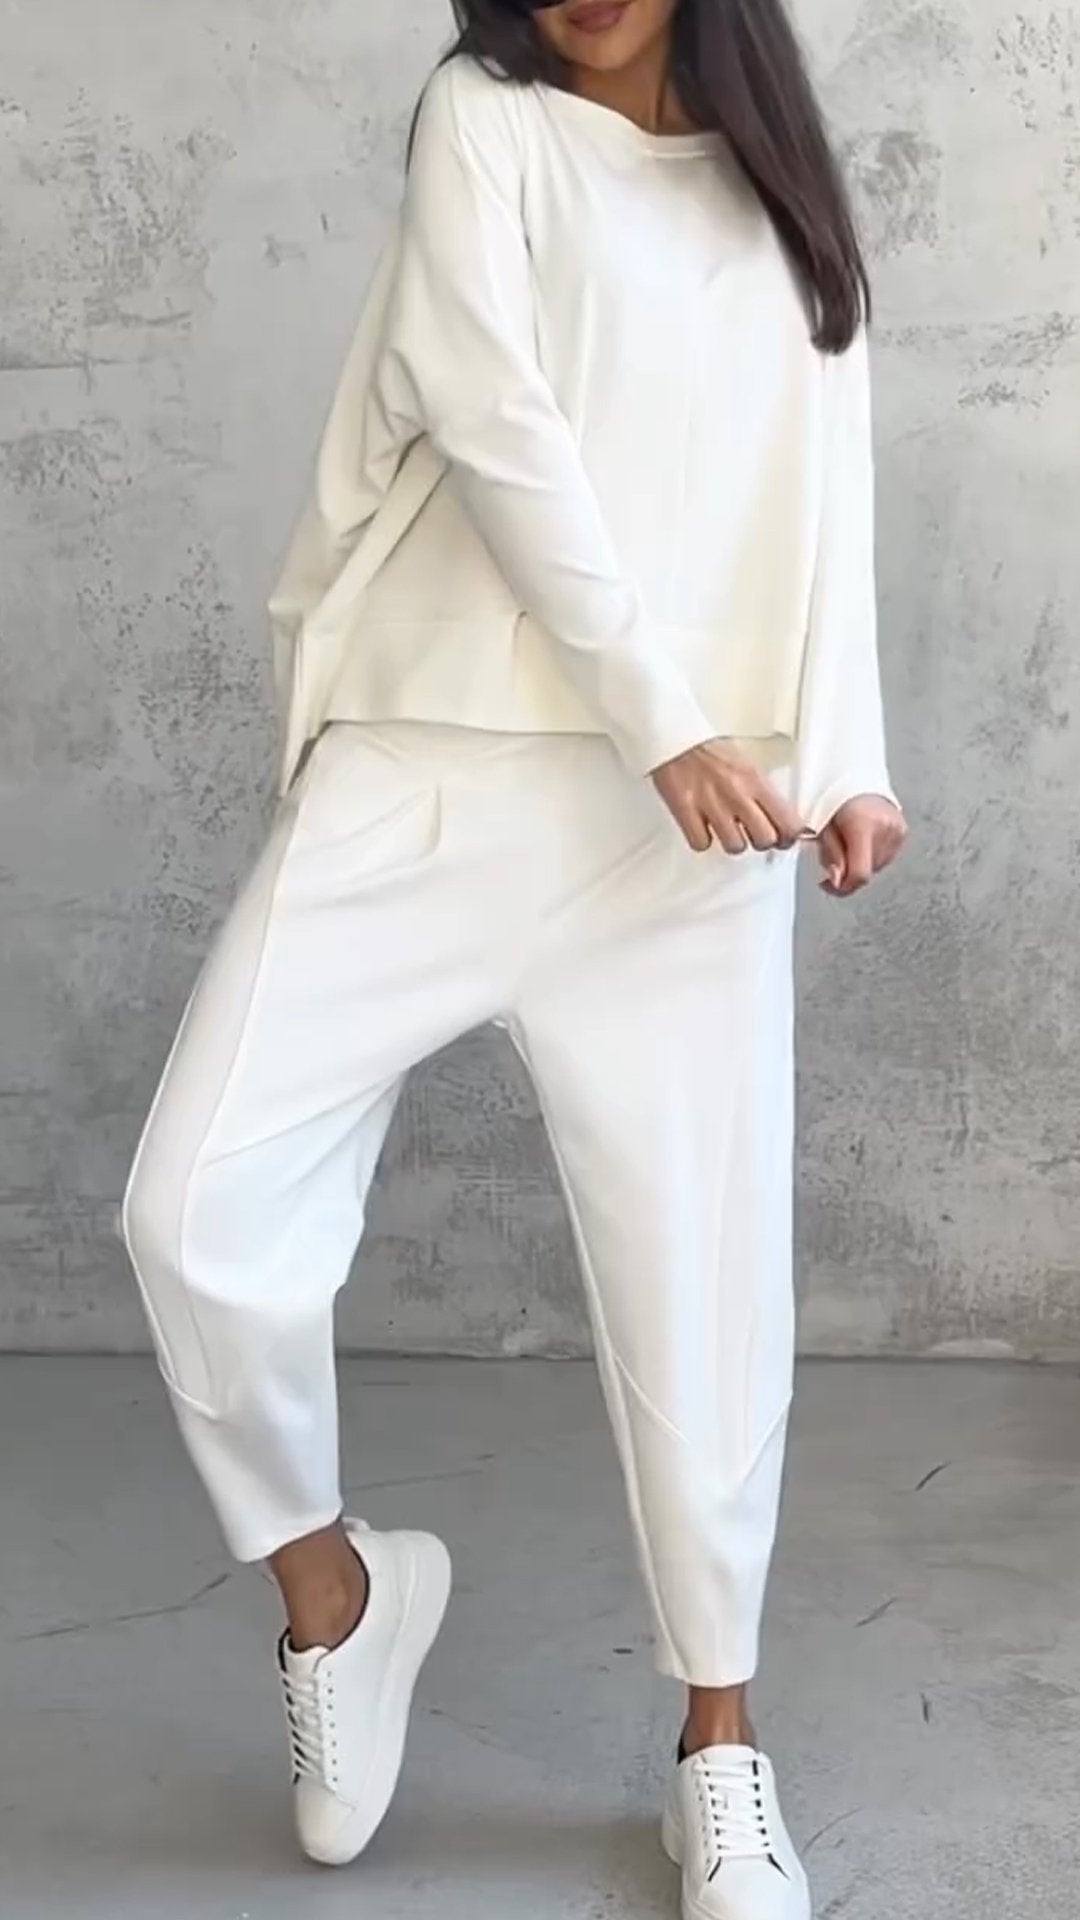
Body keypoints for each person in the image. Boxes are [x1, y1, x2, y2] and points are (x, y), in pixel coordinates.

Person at [122, 0, 906, 1913]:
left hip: (697, 821)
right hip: (437, 762)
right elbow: (491, 421)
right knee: (192, 1209)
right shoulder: (483, 119)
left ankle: (719, 1752)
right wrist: (662, 718)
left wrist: (849, 760)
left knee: (702, 1296)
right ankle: (340, 1595)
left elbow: (830, 482)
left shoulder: (781, 194)